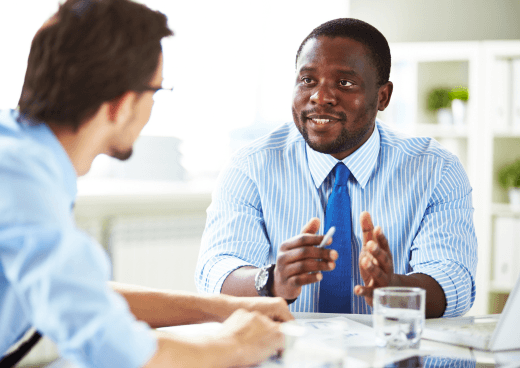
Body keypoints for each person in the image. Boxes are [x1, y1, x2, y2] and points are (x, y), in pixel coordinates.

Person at [0, 1, 292, 367]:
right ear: (122, 104)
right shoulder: (16, 184)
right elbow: (116, 353)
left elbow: (73, 294)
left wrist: (221, 308)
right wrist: (239, 344)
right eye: (157, 91)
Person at [195, 18, 477, 318]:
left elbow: (455, 280)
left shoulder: (436, 170)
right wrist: (272, 281)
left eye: (344, 83)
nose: (320, 97)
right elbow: (216, 272)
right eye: (307, 81)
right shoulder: (250, 166)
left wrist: (392, 287)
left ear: (383, 96)